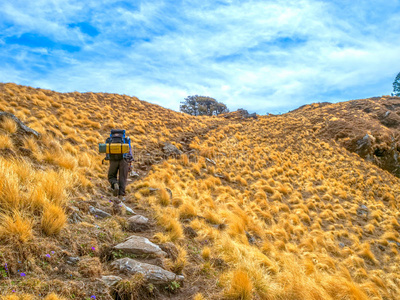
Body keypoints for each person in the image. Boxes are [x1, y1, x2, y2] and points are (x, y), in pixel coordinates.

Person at [106, 130, 134, 197]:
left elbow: (107, 152)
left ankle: (115, 184)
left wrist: (109, 157)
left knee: (111, 176)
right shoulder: (126, 140)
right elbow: (129, 151)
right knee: (123, 178)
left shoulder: (109, 140)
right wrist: (131, 160)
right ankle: (121, 195)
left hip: (113, 160)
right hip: (124, 160)